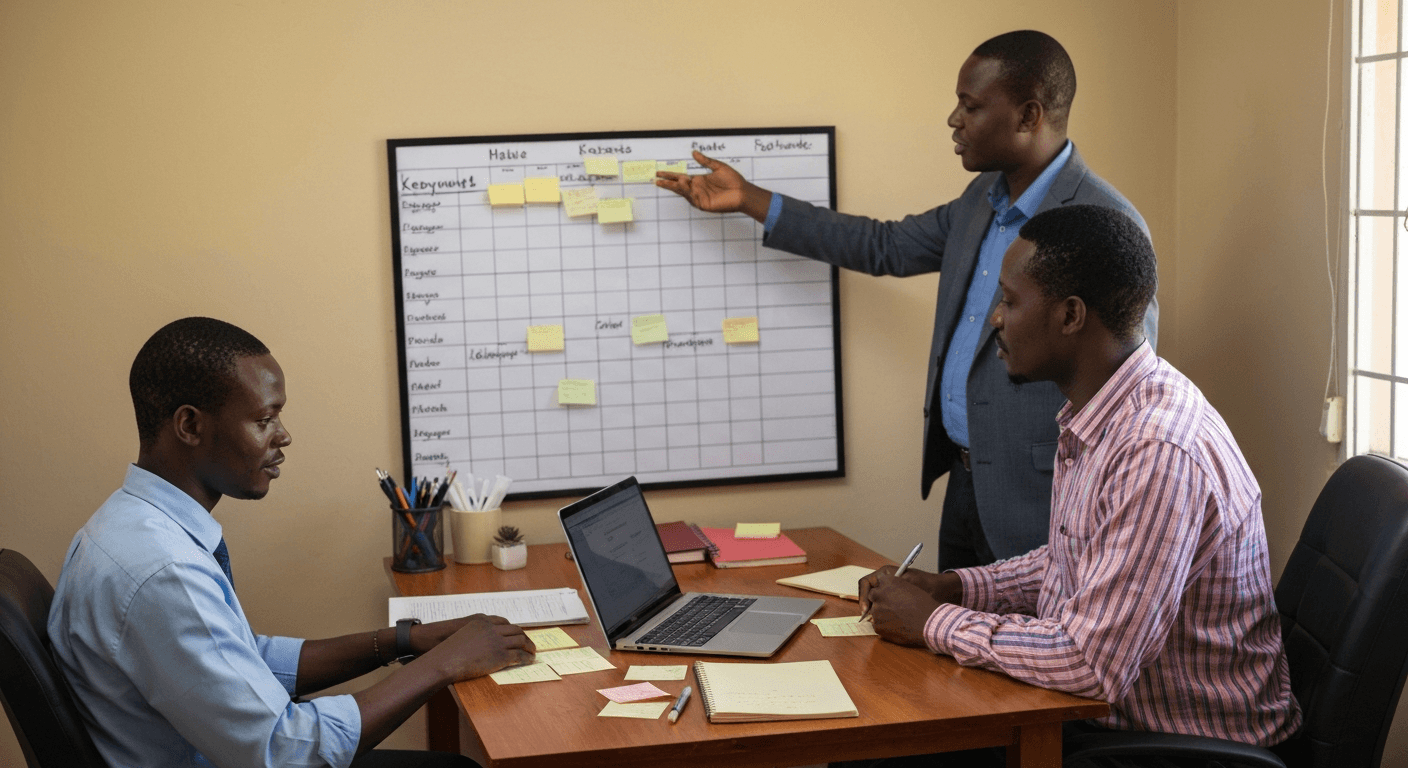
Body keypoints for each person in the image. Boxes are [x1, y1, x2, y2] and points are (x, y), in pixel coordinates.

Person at [656, 30, 1157, 570]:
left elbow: (1127, 388)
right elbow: (886, 245)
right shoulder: (982, 198)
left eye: (971, 106)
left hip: (1040, 497)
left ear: (1028, 116)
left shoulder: (1104, 222)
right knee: (950, 625)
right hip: (965, 481)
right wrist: (750, 200)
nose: (953, 120)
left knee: (1032, 627)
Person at [855, 205, 1300, 766]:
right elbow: (1079, 558)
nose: (995, 318)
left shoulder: (1156, 450)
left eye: (1010, 301)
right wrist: (955, 587)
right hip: (1115, 721)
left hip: (1181, 748)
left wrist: (931, 623)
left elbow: (1090, 664)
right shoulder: (1106, 412)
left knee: (882, 749)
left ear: (1070, 316)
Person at [48, 317, 536, 768]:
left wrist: (402, 640)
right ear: (190, 426)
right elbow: (283, 751)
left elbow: (242, 659)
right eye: (264, 419)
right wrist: (443, 664)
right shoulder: (162, 571)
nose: (283, 436)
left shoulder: (126, 524)